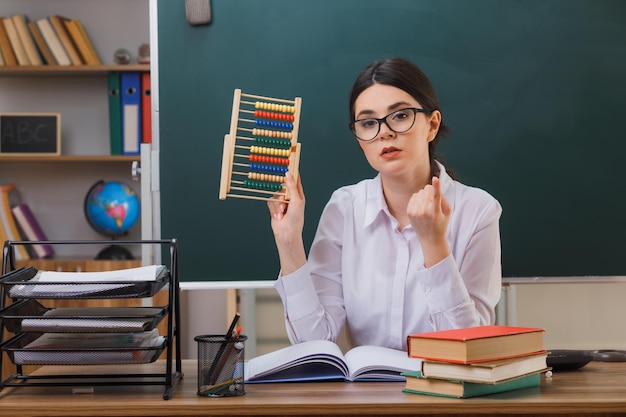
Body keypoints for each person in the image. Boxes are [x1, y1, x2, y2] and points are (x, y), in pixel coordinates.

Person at [267, 57, 502, 351]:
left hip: (445, 393)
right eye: (368, 123)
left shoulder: (478, 210)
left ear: (432, 125)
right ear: (359, 138)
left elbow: (471, 346)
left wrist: (434, 246)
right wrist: (288, 240)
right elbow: (313, 344)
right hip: (365, 394)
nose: (384, 132)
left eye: (400, 116)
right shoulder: (344, 208)